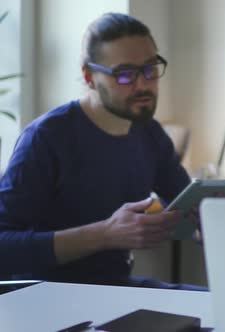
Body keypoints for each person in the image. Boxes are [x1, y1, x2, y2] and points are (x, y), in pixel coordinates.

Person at [0, 13, 202, 291]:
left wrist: (214, 218)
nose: (143, 84)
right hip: (45, 297)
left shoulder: (149, 133)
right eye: (124, 74)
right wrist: (105, 234)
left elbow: (188, 206)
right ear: (89, 77)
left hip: (114, 289)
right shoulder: (45, 138)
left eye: (150, 69)